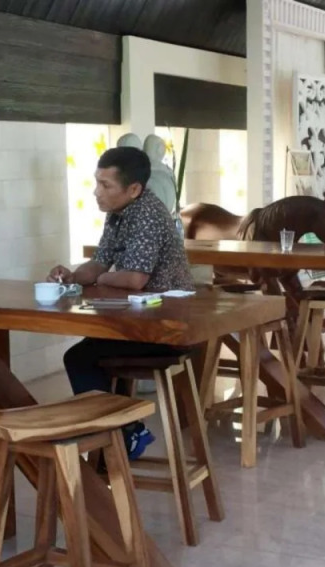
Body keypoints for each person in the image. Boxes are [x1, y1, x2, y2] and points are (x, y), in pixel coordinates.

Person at [47, 146, 195, 459]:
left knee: (80, 358)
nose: (96, 192)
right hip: (138, 321)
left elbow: (134, 279)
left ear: (134, 189)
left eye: (105, 185)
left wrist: (100, 279)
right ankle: (121, 433)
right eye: (97, 182)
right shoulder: (118, 213)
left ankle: (120, 434)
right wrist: (73, 276)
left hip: (167, 328)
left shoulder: (147, 215)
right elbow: (99, 262)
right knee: (88, 352)